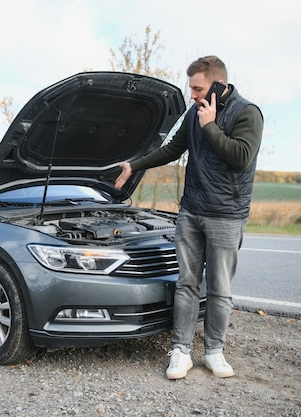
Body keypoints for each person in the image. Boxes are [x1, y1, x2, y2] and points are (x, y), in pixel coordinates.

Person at [115, 55, 263, 379]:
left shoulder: (248, 113)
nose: (193, 95)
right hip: (192, 211)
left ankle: (214, 351)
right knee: (186, 284)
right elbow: (172, 149)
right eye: (191, 88)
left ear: (219, 84)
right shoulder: (194, 113)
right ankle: (180, 351)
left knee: (220, 289)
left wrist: (209, 125)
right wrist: (134, 165)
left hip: (226, 216)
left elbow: (241, 157)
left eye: (198, 88)